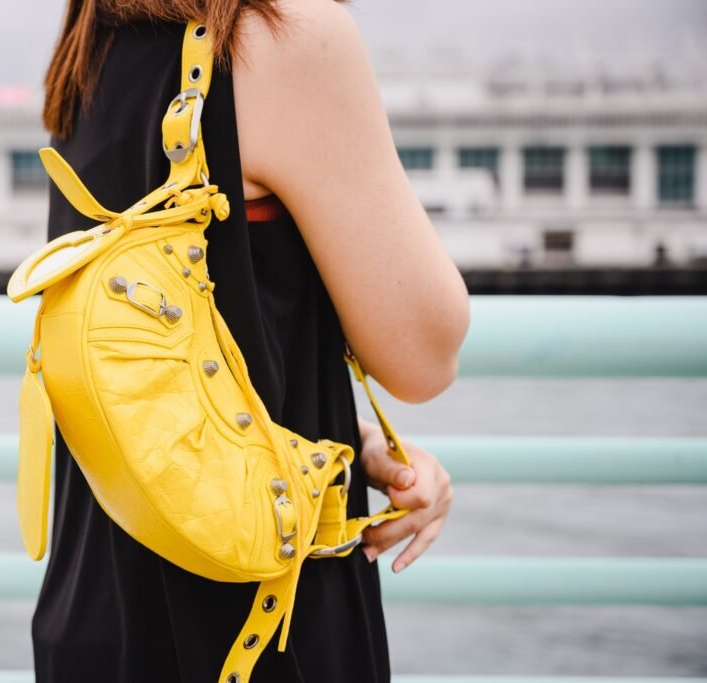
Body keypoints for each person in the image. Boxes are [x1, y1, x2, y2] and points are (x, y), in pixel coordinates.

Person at [32, 0, 468, 680]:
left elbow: (147, 361)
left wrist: (353, 441)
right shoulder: (288, 38)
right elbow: (427, 352)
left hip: (93, 616)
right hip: (254, 630)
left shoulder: (91, 43)